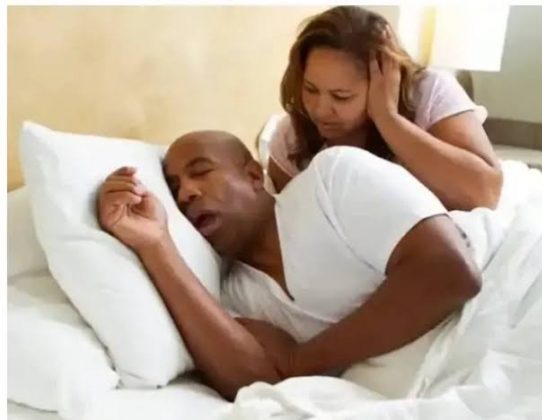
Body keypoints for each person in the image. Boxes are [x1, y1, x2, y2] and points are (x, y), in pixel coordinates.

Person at [97, 130, 482, 401]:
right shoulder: (232, 297)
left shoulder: (333, 177)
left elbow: (451, 272)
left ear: (252, 175)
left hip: (493, 299)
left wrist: (302, 360)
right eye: (174, 188)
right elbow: (254, 383)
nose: (186, 193)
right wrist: (156, 245)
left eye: (201, 172)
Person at [268, 6, 502, 211]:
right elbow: (283, 226)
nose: (319, 110)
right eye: (310, 89)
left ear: (384, 82)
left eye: (341, 97)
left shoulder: (428, 91)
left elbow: (485, 194)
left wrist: (388, 119)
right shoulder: (293, 135)